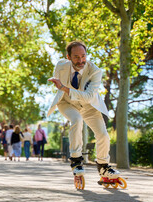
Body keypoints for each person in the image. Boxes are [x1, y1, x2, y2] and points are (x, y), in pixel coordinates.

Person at [47, 40, 120, 179]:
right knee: (77, 120)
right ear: (68, 57)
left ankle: (104, 166)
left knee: (103, 135)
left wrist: (64, 88)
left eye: (83, 56)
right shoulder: (61, 66)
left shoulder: (95, 71)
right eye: (76, 57)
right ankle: (76, 161)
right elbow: (58, 83)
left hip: (88, 106)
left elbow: (88, 97)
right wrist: (61, 88)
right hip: (67, 103)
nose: (81, 60)